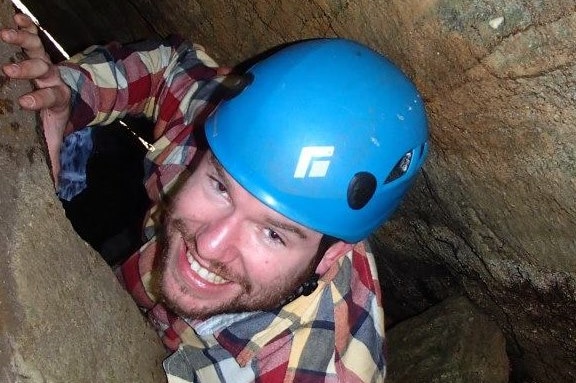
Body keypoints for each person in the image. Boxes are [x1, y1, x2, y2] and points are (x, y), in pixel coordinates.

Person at [1, 13, 428, 383]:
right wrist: (71, 93)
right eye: (220, 187)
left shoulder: (312, 370)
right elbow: (169, 67)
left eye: (273, 235)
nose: (208, 245)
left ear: (330, 258)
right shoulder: (229, 138)